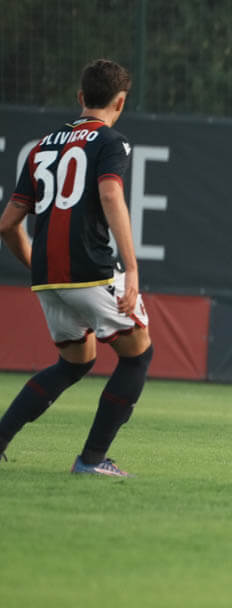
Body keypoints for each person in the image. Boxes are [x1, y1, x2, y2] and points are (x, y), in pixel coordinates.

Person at [0, 59, 153, 477]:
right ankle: (91, 459)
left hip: (48, 278)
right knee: (138, 355)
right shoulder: (112, 142)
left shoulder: (42, 146)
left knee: (75, 362)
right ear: (120, 102)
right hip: (92, 270)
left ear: (81, 97)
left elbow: (8, 224)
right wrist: (132, 270)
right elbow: (110, 196)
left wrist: (36, 264)